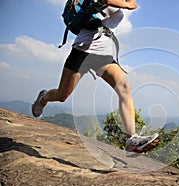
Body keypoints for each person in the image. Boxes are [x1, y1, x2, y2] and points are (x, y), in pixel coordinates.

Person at [32, 0, 158, 157]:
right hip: (83, 50)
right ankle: (43, 98)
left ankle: (131, 140)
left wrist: (127, 4)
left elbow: (124, 7)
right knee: (62, 95)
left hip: (103, 54)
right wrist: (127, 5)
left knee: (124, 88)